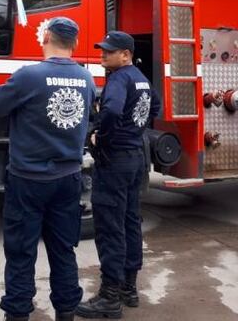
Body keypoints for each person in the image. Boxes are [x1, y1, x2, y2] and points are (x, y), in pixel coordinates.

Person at [0, 17, 96, 321]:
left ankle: (18, 313)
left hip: (28, 179)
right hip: (69, 178)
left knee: (22, 253)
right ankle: (66, 312)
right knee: (63, 250)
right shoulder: (86, 79)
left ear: (46, 36)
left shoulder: (29, 76)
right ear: (74, 43)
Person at [76, 31, 160, 319]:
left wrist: (101, 135)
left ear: (125, 54)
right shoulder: (141, 78)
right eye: (102, 50)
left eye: (109, 51)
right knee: (130, 222)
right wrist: (133, 130)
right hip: (136, 159)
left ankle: (109, 297)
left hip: (115, 161)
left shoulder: (119, 78)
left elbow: (110, 110)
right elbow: (155, 107)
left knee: (110, 227)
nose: (102, 55)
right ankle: (129, 289)